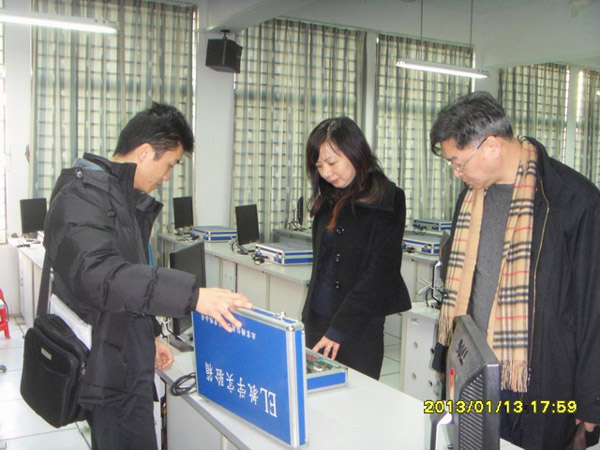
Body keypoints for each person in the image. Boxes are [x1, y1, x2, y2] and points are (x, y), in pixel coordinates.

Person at [43, 102, 252, 450]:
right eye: (169, 164)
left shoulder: (119, 198)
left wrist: (149, 336)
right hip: (108, 369)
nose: (168, 177)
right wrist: (194, 296)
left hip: (123, 353)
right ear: (143, 152)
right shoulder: (82, 198)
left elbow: (129, 279)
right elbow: (101, 277)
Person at [429, 91, 600, 449]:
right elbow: (458, 291)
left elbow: (593, 307)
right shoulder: (470, 198)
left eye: (458, 162)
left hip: (542, 377)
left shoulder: (573, 201)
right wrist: (445, 358)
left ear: (491, 145)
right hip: (475, 367)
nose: (457, 173)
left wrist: (591, 400)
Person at [301, 116, 411, 379]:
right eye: (319, 165)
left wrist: (339, 329)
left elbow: (380, 271)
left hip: (359, 325)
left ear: (355, 152)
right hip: (318, 317)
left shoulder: (387, 198)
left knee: (357, 396)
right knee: (316, 395)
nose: (326, 173)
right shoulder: (328, 196)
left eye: (332, 162)